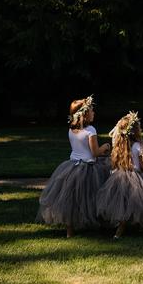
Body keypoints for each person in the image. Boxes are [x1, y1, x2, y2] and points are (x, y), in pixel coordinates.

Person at [37, 96, 111, 237]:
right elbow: (95, 153)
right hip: (89, 168)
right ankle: (99, 223)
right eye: (91, 110)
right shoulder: (91, 130)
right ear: (84, 114)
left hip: (72, 167)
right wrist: (105, 146)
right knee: (94, 195)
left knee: (72, 200)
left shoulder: (71, 129)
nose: (94, 112)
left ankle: (69, 231)